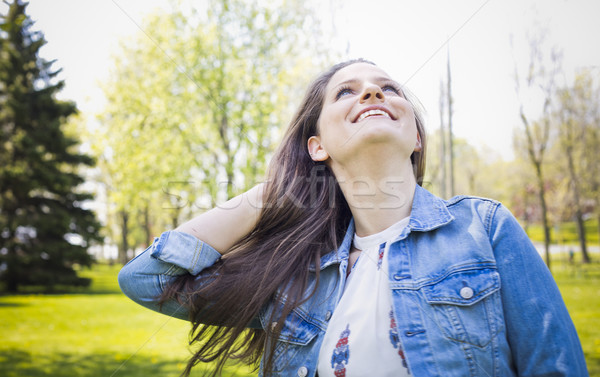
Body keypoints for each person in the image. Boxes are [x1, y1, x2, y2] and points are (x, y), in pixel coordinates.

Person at [118, 59, 588, 377]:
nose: (371, 91)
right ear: (317, 146)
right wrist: (274, 193)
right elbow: (147, 279)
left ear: (416, 137)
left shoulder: (483, 228)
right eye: (348, 91)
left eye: (388, 89)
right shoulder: (294, 282)